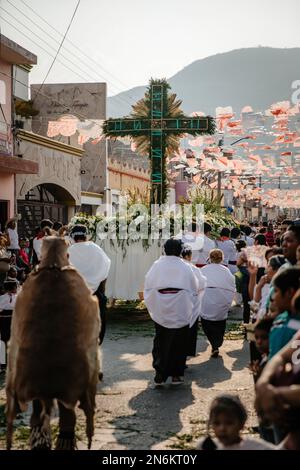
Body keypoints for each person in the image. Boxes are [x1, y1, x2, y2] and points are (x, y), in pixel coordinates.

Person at [144, 238, 199, 385]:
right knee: (179, 342)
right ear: (180, 251)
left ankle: (160, 372)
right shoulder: (185, 266)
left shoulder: (156, 265)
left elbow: (148, 286)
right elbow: (194, 288)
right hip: (181, 307)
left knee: (160, 339)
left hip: (161, 309)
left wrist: (157, 300)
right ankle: (176, 374)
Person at [68, 225, 111, 345]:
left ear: (72, 236)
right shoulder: (95, 248)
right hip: (96, 293)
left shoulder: (69, 251)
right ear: (86, 235)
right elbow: (105, 269)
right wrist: (102, 291)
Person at [197, 394, 274, 450]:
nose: (222, 428)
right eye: (217, 423)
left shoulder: (256, 447)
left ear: (241, 424)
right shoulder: (205, 446)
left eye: (229, 423)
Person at [200, 249, 236, 358]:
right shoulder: (226, 270)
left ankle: (214, 344)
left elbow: (198, 284)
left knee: (206, 322)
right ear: (222, 258)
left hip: (206, 299)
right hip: (222, 299)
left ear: (210, 258)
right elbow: (232, 286)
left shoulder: (203, 269)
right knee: (220, 323)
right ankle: (216, 344)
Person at [268, 267, 300, 359]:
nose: (273, 297)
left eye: (276, 291)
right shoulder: (282, 318)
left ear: (289, 292)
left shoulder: (292, 328)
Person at [181, 244, 207, 358]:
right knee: (189, 329)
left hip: (174, 304)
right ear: (187, 256)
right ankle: (186, 353)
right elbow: (201, 284)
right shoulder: (192, 268)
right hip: (190, 303)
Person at [0, 279, 18, 372]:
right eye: (16, 286)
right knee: (3, 342)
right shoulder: (2, 298)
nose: (17, 288)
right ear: (13, 288)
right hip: (4, 321)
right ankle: (3, 365)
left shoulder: (18, 297)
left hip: (14, 320)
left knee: (14, 341)